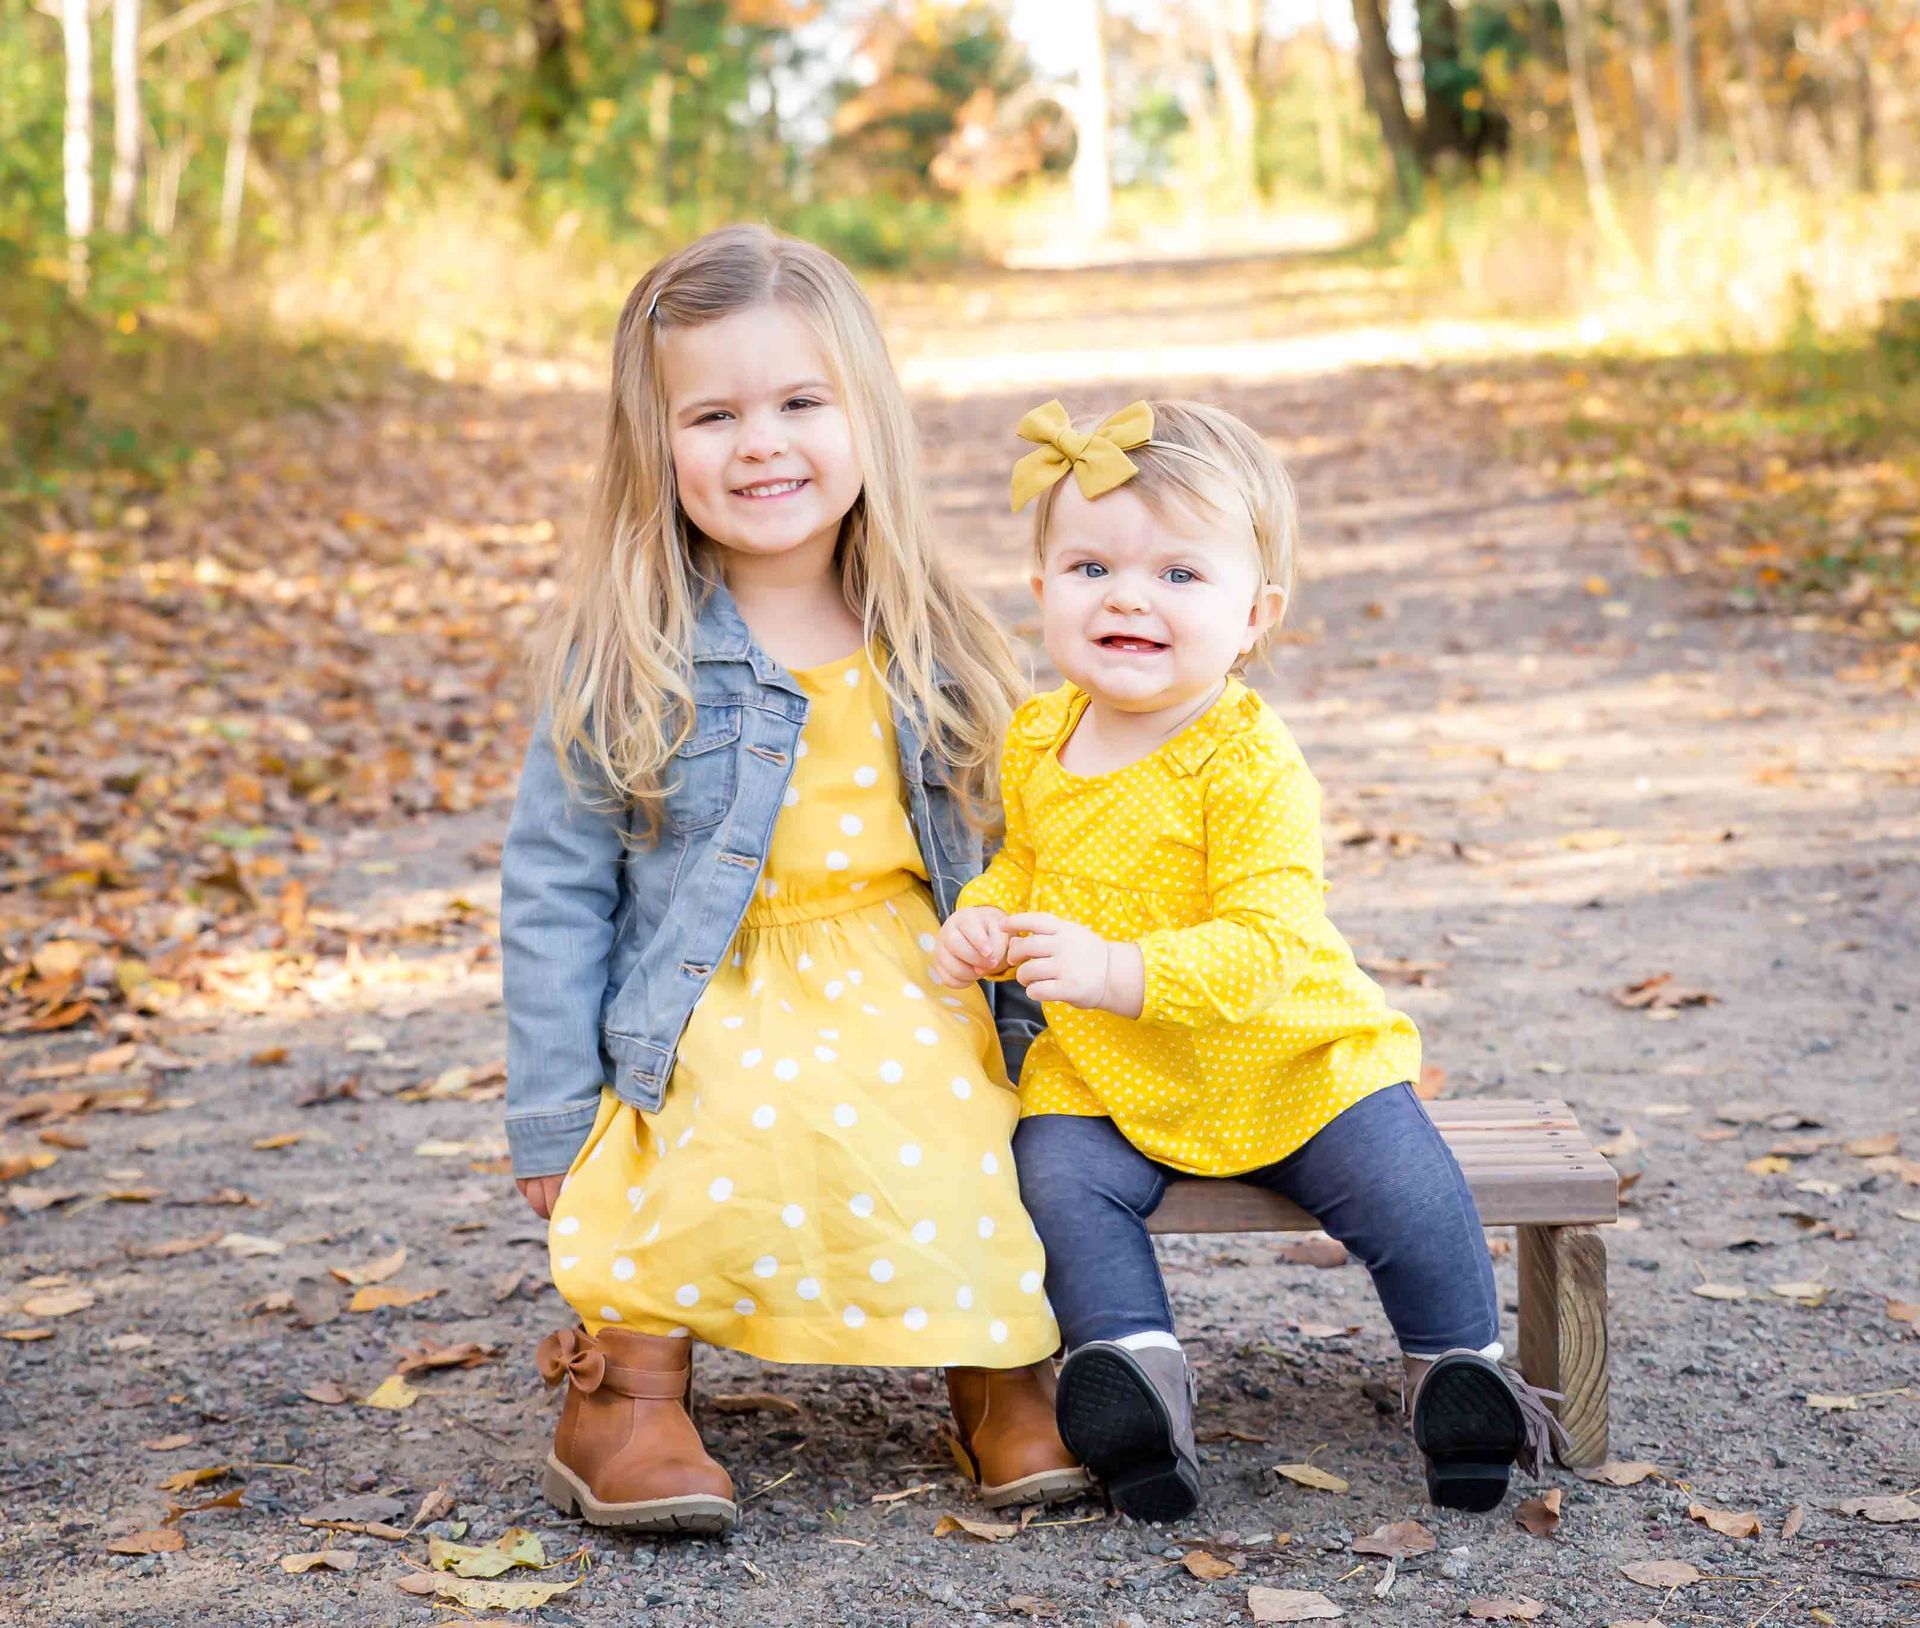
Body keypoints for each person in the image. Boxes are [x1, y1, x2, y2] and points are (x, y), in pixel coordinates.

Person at [501, 226, 1089, 1537]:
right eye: (712, 414)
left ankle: (1001, 1365)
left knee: (963, 1122)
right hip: (710, 986)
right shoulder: (626, 654)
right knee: (709, 1118)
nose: (760, 443)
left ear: (865, 419)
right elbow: (553, 888)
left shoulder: (933, 636)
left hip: (908, 970)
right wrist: (550, 1105)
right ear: (654, 445)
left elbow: (1022, 832)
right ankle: (628, 1393)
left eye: (799, 404)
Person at [934, 398, 1561, 1522]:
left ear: (1254, 614)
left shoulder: (1247, 755)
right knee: (1057, 1179)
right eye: (1091, 565)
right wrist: (982, 921)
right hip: (1107, 1065)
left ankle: (1458, 1368)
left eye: (1180, 574)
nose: (1127, 596)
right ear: (1043, 594)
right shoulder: (1039, 737)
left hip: (1284, 1053)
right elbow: (1017, 867)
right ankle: (1132, 1380)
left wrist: (1124, 968)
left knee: (1406, 1182)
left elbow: (1272, 941)